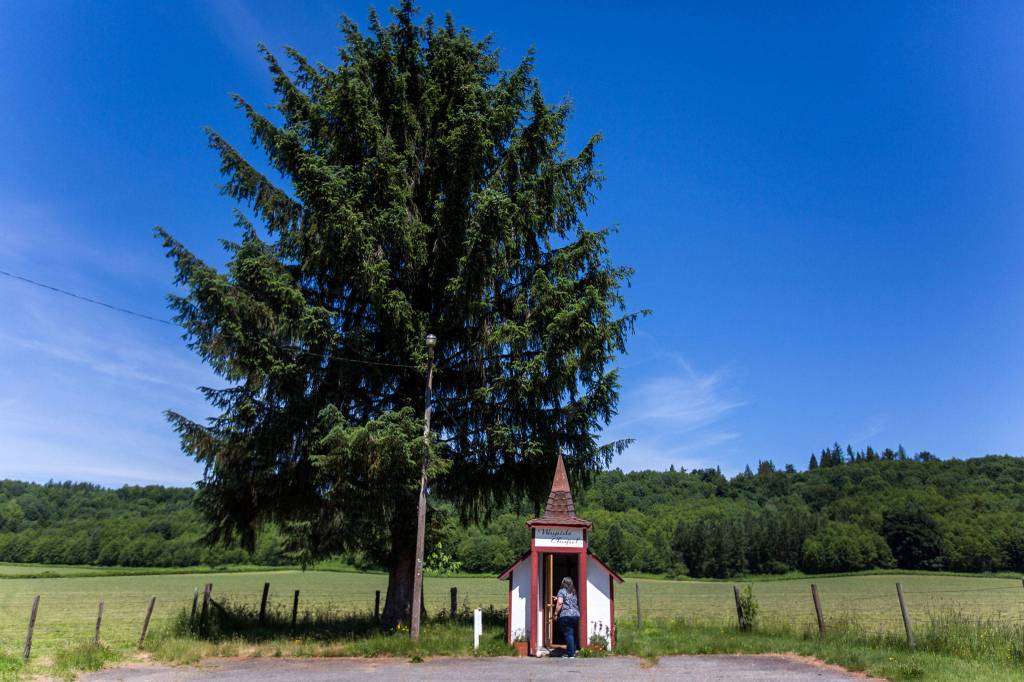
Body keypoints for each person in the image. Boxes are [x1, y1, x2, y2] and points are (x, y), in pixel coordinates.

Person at [554, 576, 580, 658]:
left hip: (566, 615)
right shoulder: (573, 592)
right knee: (573, 634)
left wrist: (555, 613)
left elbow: (560, 603)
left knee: (568, 634)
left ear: (564, 582)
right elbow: (569, 601)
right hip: (576, 615)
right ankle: (572, 652)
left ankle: (570, 654)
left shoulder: (561, 591)